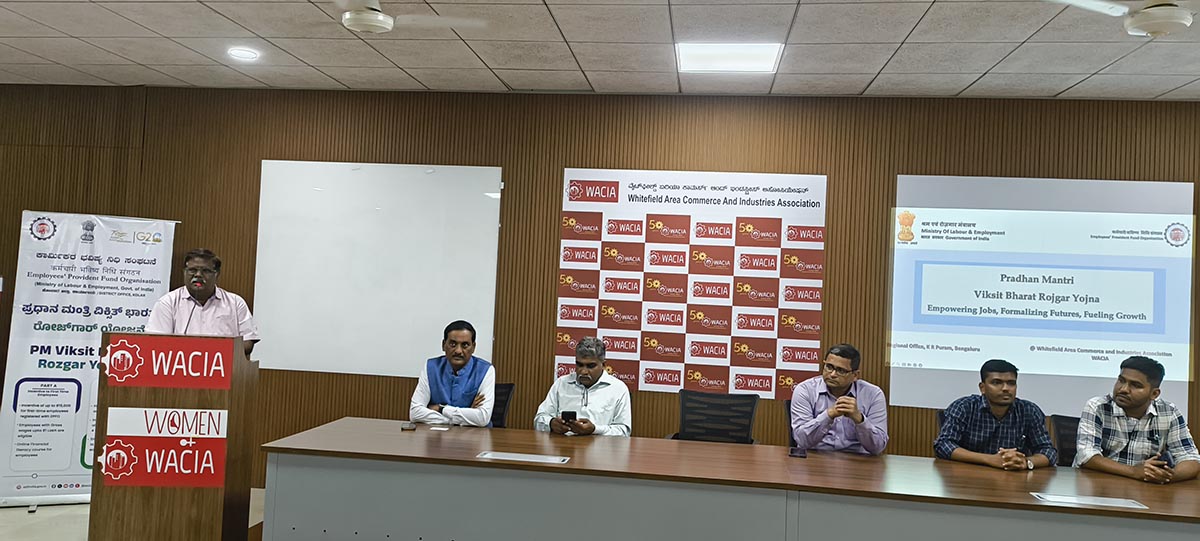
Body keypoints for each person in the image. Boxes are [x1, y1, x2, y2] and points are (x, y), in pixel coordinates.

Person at [1075, 356, 1199, 483]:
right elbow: (1086, 456)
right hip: (1098, 483)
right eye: (1121, 380)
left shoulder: (1169, 412)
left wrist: (1164, 476)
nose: (1123, 389)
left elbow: (1191, 458)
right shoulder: (1098, 407)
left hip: (1144, 488)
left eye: (1135, 385)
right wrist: (1134, 471)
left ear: (1154, 394)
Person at [934, 359, 1057, 470]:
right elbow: (943, 445)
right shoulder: (964, 407)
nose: (1005, 388)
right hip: (968, 475)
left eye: (1011, 383)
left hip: (1012, 479)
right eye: (997, 382)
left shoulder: (1029, 411)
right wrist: (989, 459)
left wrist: (1026, 462)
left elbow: (1048, 451)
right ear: (982, 387)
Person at [146, 248, 259, 355]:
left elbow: (248, 341)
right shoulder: (167, 303)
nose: (198, 275)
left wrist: (215, 354)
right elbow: (157, 343)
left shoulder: (235, 303)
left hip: (223, 365)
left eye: (205, 271)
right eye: (192, 270)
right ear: (184, 272)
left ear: (216, 274)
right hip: (179, 366)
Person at [789, 343, 888, 455]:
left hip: (858, 459)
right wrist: (828, 415)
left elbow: (878, 447)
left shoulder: (873, 394)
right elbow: (802, 441)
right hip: (815, 457)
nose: (832, 374)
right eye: (829, 367)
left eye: (841, 370)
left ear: (855, 375)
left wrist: (860, 420)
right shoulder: (805, 390)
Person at [534, 336, 631, 436]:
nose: (583, 371)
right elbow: (539, 420)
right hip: (563, 444)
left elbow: (624, 431)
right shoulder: (562, 383)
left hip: (600, 445)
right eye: (579, 365)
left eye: (590, 366)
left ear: (603, 365)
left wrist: (595, 430)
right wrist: (551, 424)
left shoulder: (618, 389)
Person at [409, 320, 495, 426]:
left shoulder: (486, 370)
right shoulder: (431, 367)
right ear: (443, 345)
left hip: (475, 435)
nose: (458, 351)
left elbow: (482, 418)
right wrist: (461, 418)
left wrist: (441, 409)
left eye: (465, 345)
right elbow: (415, 413)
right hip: (437, 435)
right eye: (453, 344)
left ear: (473, 347)